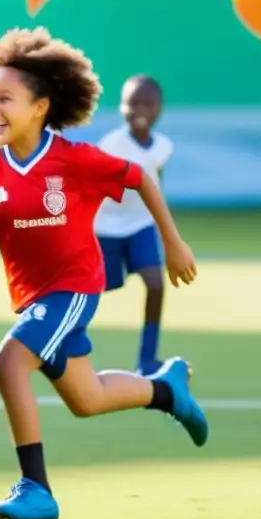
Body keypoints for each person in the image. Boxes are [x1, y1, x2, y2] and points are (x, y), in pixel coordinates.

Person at [0, 28, 207, 519]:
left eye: (5, 98)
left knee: (8, 365)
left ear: (41, 107)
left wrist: (172, 242)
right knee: (86, 398)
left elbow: (140, 177)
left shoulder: (73, 159)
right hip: (34, 301)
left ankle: (37, 490)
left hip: (73, 287)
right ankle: (167, 390)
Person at [94, 75, 172, 375]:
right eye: (132, 102)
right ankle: (64, 343)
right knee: (95, 289)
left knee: (155, 284)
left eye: (147, 103)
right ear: (122, 107)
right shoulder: (112, 145)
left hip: (141, 225)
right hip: (106, 228)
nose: (139, 109)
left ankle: (147, 359)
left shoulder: (163, 147)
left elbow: (157, 184)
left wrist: (167, 229)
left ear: (159, 109)